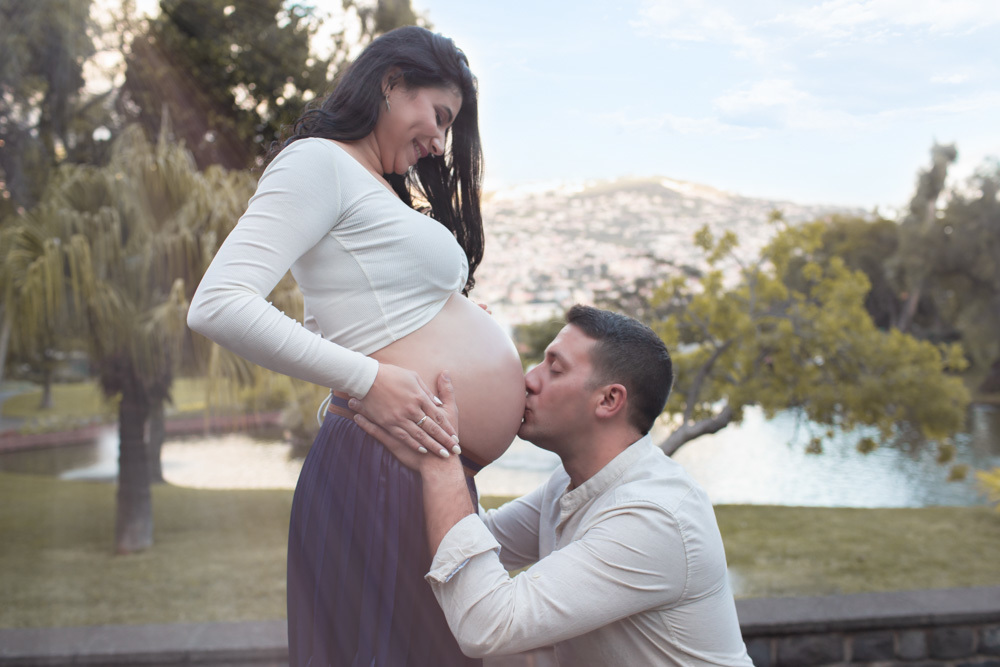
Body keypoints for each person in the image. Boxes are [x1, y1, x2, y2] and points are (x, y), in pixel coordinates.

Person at [186, 26, 526, 666]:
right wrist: (371, 378)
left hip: (422, 469)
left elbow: (359, 314)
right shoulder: (320, 163)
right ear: (393, 83)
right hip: (378, 468)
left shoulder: (380, 190)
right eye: (438, 115)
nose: (440, 141)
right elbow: (220, 303)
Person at [352, 305, 754, 666]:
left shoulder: (654, 516)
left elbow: (488, 625)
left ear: (609, 401)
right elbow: (476, 541)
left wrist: (442, 464)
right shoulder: (572, 482)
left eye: (554, 369)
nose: (529, 379)